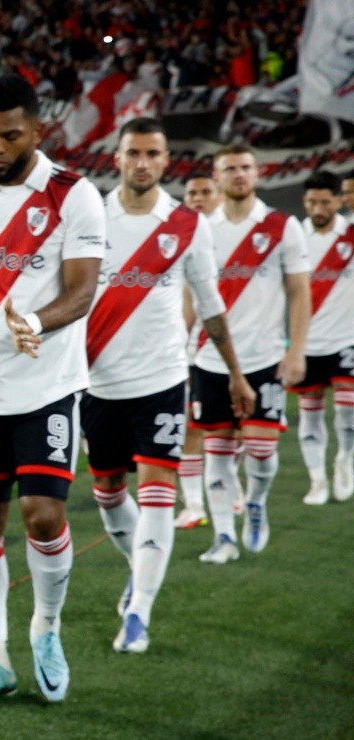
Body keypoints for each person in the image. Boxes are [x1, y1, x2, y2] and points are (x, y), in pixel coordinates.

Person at [0, 74, 105, 704]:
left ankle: (47, 628)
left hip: (49, 387)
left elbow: (83, 289)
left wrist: (35, 321)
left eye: (9, 135)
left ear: (38, 132)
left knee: (43, 516)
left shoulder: (75, 196)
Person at [83, 118, 254, 654]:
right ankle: (141, 568)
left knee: (158, 492)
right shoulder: (90, 216)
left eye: (152, 153)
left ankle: (138, 613)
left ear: (165, 161)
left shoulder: (186, 224)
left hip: (161, 379)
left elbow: (210, 306)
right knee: (108, 493)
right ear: (117, 157)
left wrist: (235, 373)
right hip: (95, 384)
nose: (141, 162)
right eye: (132, 152)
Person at [192, 144, 311, 563]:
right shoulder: (201, 228)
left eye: (246, 167)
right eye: (230, 169)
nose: (239, 175)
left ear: (257, 174)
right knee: (218, 450)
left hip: (264, 358)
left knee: (261, 450)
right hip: (209, 358)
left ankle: (256, 502)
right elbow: (190, 296)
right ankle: (223, 536)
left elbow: (299, 290)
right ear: (217, 176)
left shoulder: (282, 227)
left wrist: (297, 350)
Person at [288, 171, 354, 504]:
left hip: (346, 338)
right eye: (312, 201)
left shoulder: (351, 234)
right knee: (310, 411)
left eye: (325, 201)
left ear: (338, 201)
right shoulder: (294, 236)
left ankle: (346, 459)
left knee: (347, 408)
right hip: (307, 342)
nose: (318, 207)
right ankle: (317, 480)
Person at [176, 174, 225, 529]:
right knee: (191, 425)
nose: (198, 198)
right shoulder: (180, 237)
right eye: (191, 192)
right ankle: (194, 504)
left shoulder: (232, 236)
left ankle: (231, 492)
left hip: (235, 348)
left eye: (206, 192)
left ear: (219, 195)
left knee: (231, 430)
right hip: (194, 349)